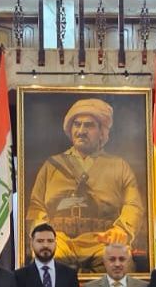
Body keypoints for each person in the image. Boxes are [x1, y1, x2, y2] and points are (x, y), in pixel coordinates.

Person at [24, 99, 144, 272]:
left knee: (121, 265)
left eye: (89, 126)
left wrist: (121, 230)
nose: (81, 131)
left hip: (101, 241)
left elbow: (133, 205)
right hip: (60, 241)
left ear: (102, 132)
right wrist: (45, 234)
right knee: (45, 268)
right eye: (77, 125)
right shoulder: (51, 165)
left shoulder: (119, 166)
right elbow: (36, 206)